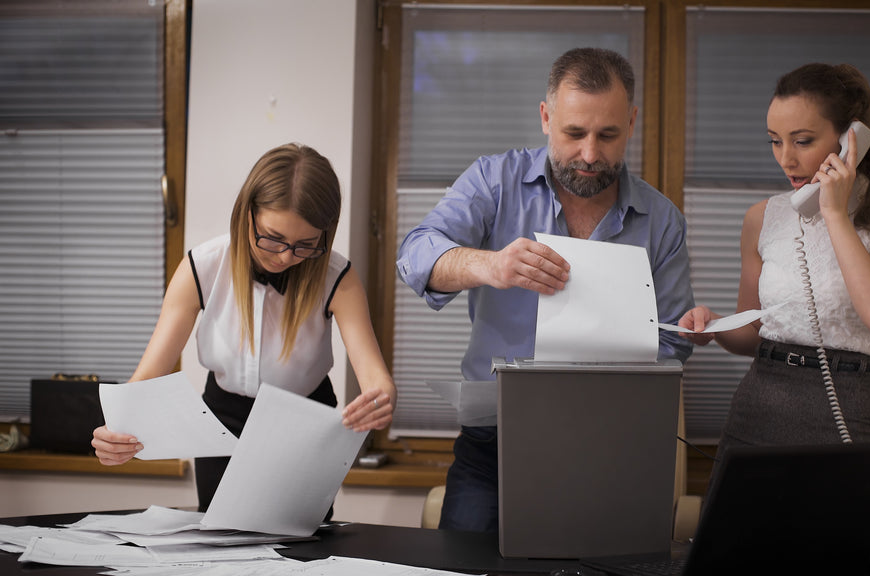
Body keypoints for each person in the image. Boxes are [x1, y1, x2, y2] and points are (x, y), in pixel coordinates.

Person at [396, 47, 696, 532]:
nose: (591, 154)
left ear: (633, 123)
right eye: (574, 133)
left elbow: (672, 345)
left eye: (609, 135)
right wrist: (488, 264)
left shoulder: (662, 222)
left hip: (611, 449)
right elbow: (416, 255)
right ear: (545, 117)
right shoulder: (494, 182)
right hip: (493, 444)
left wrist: (687, 332)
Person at [92, 143, 397, 511]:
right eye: (273, 237)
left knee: (303, 548)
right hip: (221, 421)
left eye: (305, 245)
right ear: (246, 213)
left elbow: (375, 378)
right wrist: (118, 430)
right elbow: (149, 375)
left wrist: (380, 400)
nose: (286, 257)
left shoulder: (337, 277)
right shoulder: (202, 267)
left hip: (305, 422)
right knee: (222, 549)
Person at [679, 63, 870, 455]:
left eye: (801, 141)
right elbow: (754, 333)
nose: (785, 159)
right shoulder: (762, 217)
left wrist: (834, 214)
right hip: (758, 409)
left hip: (852, 409)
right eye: (774, 141)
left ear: (851, 139)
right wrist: (712, 326)